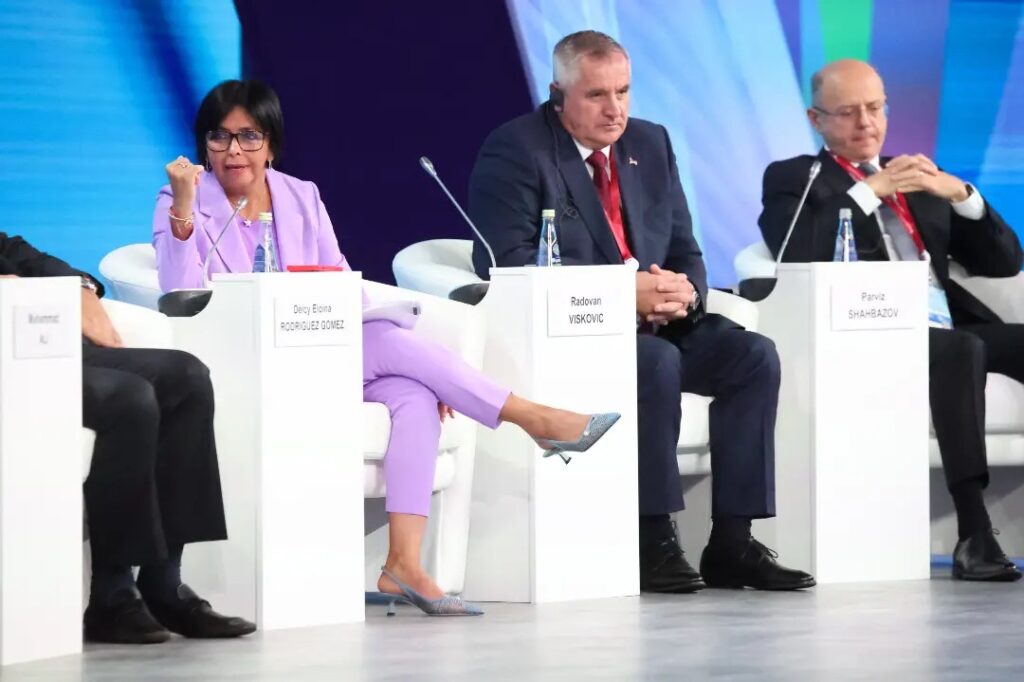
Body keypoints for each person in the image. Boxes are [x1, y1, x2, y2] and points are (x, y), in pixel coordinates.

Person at [152, 80, 620, 616]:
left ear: (271, 144)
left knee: (414, 396)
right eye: (220, 137)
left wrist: (431, 374)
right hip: (251, 357)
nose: (233, 150)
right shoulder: (181, 201)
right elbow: (178, 292)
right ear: (204, 144)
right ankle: (532, 417)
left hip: (319, 346)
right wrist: (186, 211)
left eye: (248, 136)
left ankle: (403, 564)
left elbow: (340, 282)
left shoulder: (300, 195)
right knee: (397, 355)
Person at [468, 31, 815, 592]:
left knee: (754, 356)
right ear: (559, 95)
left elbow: (685, 247)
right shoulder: (517, 149)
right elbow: (508, 267)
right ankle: (652, 537)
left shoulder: (650, 143)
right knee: (654, 362)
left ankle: (732, 541)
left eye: (624, 92)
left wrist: (686, 294)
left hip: (662, 322)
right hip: (576, 334)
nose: (615, 110)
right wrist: (622, 296)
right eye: (597, 95)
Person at [758, 59, 1022, 582]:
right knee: (962, 350)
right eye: (849, 112)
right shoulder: (794, 178)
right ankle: (975, 529)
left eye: (875, 108)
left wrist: (963, 197)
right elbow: (798, 249)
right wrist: (868, 191)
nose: (866, 123)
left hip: (945, 324)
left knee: (975, 342)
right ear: (816, 118)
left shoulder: (917, 176)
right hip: (870, 331)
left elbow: (1004, 262)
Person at [0, 233, 255, 643]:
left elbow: (29, 257)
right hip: (11, 366)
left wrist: (79, 289)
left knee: (186, 376)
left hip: (41, 348)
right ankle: (112, 595)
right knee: (128, 397)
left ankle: (164, 584)